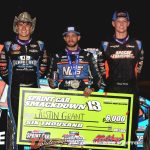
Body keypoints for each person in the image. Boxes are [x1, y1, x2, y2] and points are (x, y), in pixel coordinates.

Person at [47, 26, 101, 149]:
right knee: (63, 138)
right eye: (68, 36)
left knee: (80, 140)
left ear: (78, 37)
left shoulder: (87, 56)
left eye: (74, 35)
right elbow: (52, 80)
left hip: (83, 102)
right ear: (65, 38)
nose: (71, 38)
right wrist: (52, 83)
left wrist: (91, 89)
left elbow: (98, 80)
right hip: (64, 103)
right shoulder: (57, 56)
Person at [0, 11, 48, 150]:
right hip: (15, 91)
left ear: (31, 27)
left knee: (34, 126)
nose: (24, 28)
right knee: (18, 126)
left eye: (27, 25)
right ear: (16, 27)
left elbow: (44, 66)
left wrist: (35, 77)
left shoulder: (39, 45)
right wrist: (11, 81)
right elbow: (2, 67)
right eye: (21, 25)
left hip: (34, 90)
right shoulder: (9, 45)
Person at [97, 10, 144, 149]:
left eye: (124, 21)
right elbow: (101, 68)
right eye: (118, 21)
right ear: (113, 23)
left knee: (131, 128)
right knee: (112, 127)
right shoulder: (106, 45)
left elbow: (139, 69)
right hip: (113, 90)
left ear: (128, 23)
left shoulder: (138, 44)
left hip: (131, 90)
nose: (121, 24)